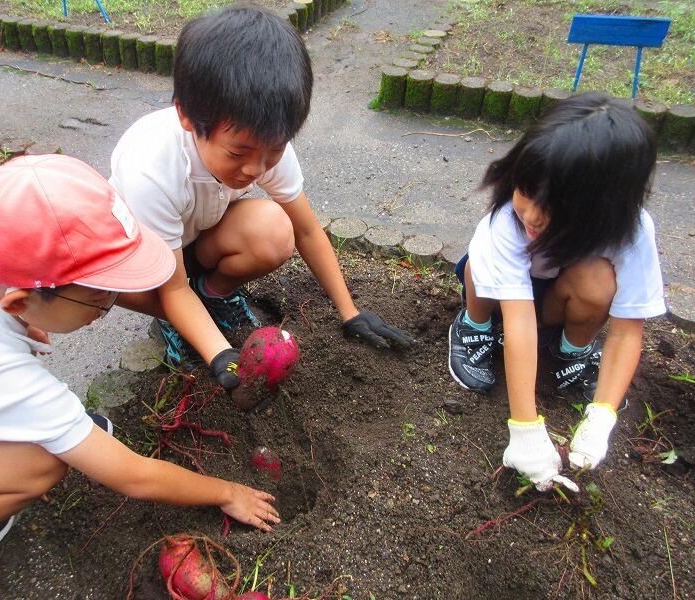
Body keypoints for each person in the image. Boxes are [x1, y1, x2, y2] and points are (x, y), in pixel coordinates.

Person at [0, 155, 279, 578]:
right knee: (43, 459)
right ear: (19, 302)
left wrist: (26, 325)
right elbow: (134, 476)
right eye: (100, 299)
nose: (108, 306)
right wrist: (227, 492)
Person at [109, 6, 412, 391]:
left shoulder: (261, 139)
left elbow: (307, 231)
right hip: (140, 258)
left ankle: (212, 294)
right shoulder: (151, 169)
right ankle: (177, 322)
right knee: (104, 285)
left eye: (274, 150)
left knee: (274, 231)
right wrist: (221, 354)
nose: (255, 168)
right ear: (187, 116)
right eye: (238, 153)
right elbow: (172, 287)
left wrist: (350, 312)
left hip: (195, 238)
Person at [447, 93, 665, 491]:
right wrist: (526, 429)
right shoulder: (507, 222)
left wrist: (603, 414)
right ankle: (474, 326)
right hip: (504, 303)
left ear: (605, 210)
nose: (531, 215)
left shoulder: (631, 232)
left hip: (556, 300)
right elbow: (519, 319)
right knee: (480, 263)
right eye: (526, 191)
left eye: (553, 208)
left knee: (598, 280)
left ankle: (572, 351)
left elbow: (627, 329)